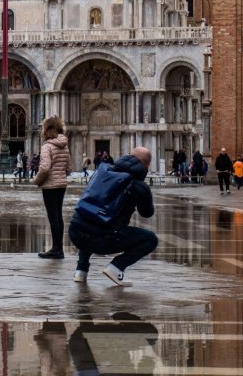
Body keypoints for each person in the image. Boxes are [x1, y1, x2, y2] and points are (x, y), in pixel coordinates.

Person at [68, 147, 156, 286]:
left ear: (128, 156)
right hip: (104, 239)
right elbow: (147, 213)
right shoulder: (139, 185)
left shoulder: (102, 171)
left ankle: (81, 270)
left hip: (74, 232)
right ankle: (116, 267)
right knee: (151, 239)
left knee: (90, 219)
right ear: (146, 165)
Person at [33, 116, 71, 259]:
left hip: (50, 185)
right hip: (61, 184)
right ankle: (58, 247)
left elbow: (44, 168)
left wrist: (36, 181)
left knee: (52, 216)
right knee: (58, 215)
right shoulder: (64, 145)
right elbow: (68, 168)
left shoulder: (47, 146)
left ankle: (56, 248)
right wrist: (61, 173)